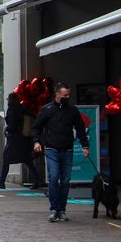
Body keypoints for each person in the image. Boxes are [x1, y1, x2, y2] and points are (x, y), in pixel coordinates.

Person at [32, 82, 89, 222]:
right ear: (57, 95)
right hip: (51, 148)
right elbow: (36, 127)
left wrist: (85, 146)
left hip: (67, 148)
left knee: (65, 180)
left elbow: (81, 128)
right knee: (53, 176)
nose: (67, 97)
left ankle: (62, 209)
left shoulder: (72, 110)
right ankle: (54, 208)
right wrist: (36, 141)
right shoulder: (47, 109)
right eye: (65, 95)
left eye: (69, 95)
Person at [0, 92, 42, 189]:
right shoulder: (23, 108)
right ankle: (37, 180)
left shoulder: (12, 109)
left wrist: (7, 129)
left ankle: (1, 182)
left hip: (15, 139)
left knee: (6, 159)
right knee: (27, 160)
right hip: (24, 139)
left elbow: (12, 126)